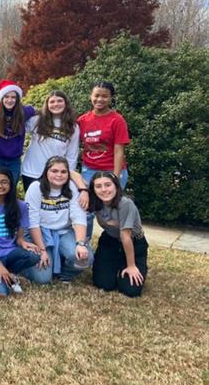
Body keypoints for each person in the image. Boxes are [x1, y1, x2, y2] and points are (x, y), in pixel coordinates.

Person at [22, 156, 91, 285]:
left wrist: (80, 244)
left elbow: (79, 217)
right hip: (41, 232)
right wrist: (42, 251)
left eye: (63, 172)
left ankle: (65, 274)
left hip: (64, 231)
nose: (59, 175)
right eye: (54, 171)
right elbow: (33, 223)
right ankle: (22, 268)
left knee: (85, 258)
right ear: (46, 172)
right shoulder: (35, 188)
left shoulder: (72, 187)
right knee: (42, 279)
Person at [0, 169, 41, 297]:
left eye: (4, 182)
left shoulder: (20, 206)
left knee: (34, 256)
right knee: (0, 294)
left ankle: (9, 272)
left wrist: (24, 243)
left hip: (10, 252)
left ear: (11, 184)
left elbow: (19, 238)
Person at [77, 81, 130, 241]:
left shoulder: (117, 120)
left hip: (112, 171)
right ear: (91, 96)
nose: (100, 99)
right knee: (85, 211)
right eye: (97, 95)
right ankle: (83, 246)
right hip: (89, 171)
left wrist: (115, 176)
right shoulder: (83, 120)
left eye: (104, 96)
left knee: (112, 214)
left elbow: (119, 150)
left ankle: (120, 244)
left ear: (111, 98)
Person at [89, 171, 147, 297]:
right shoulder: (96, 203)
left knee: (130, 290)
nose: (103, 190)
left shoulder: (125, 203)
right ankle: (115, 266)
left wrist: (131, 266)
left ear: (116, 185)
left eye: (108, 185)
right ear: (93, 189)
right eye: (98, 186)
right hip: (110, 241)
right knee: (103, 284)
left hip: (133, 242)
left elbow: (125, 236)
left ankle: (128, 264)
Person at [21, 90, 80, 191]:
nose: (56, 104)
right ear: (47, 105)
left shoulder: (73, 127)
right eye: (52, 102)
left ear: (66, 103)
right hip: (32, 172)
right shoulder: (37, 120)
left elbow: (72, 155)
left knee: (51, 205)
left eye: (59, 101)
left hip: (56, 175)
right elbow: (17, 130)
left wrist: (68, 175)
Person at [0, 79, 36, 183]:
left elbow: (40, 111)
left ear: (17, 99)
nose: (10, 100)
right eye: (6, 97)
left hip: (14, 161)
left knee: (11, 189)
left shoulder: (24, 111)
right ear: (1, 98)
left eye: (13, 97)